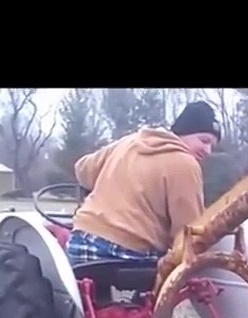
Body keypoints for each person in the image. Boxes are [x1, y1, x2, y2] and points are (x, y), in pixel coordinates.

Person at [66, 100, 221, 268]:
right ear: (185, 132)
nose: (208, 150)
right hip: (125, 252)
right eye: (204, 140)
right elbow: (188, 233)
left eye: (212, 146)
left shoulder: (130, 142)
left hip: (81, 242)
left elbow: (82, 169)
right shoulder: (186, 163)